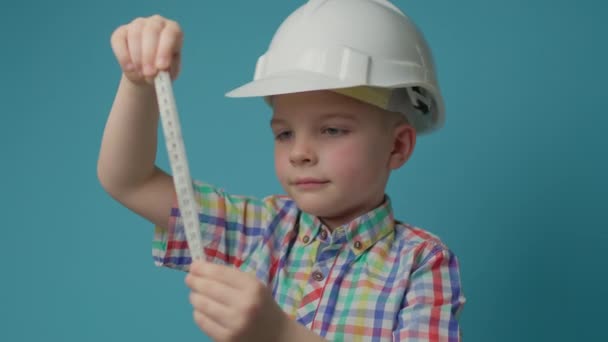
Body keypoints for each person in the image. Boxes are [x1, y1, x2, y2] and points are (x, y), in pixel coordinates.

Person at [98, 0, 466, 340]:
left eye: (332, 130)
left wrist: (279, 333)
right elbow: (130, 180)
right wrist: (137, 82)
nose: (300, 153)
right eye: (284, 133)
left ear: (398, 146)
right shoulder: (258, 230)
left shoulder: (421, 262)